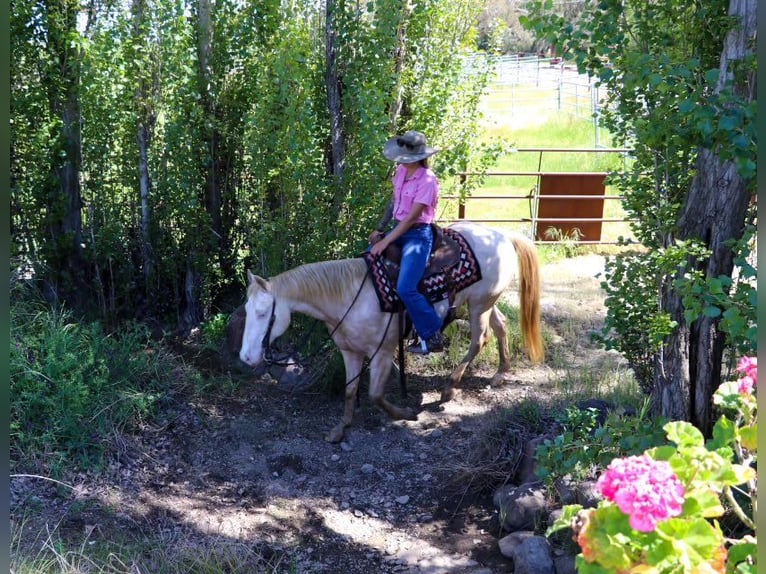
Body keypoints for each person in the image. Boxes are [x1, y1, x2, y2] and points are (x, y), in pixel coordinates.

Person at [368, 130, 445, 354]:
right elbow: (394, 202)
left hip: (417, 234)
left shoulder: (428, 180)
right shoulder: (401, 172)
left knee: (405, 287)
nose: (402, 160)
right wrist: (379, 229)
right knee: (367, 264)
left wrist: (384, 242)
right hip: (397, 230)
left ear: (418, 157)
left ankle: (432, 334)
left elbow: (412, 218)